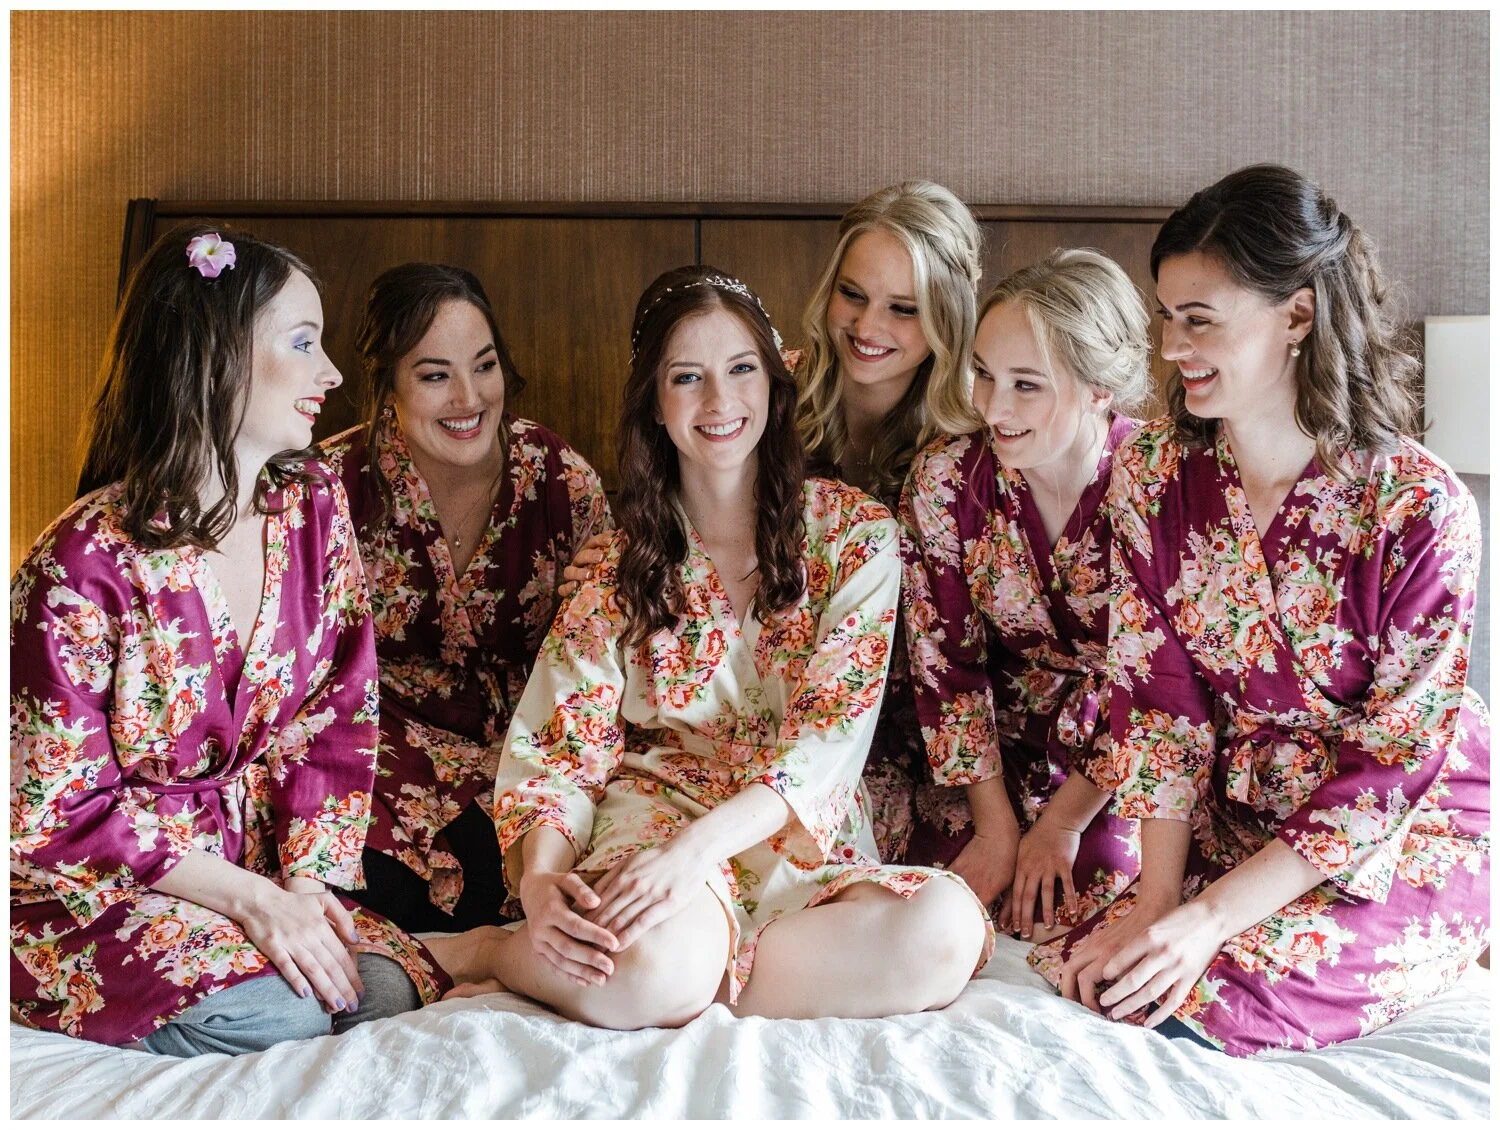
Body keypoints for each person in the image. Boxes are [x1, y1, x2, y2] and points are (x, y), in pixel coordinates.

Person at [461, 265, 993, 1029]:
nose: (719, 400)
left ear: (774, 386)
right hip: (653, 831)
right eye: (688, 377)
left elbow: (827, 744)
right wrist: (542, 887)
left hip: (797, 846)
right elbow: (558, 749)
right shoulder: (619, 561)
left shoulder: (855, 537)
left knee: (944, 931)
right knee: (652, 967)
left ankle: (683, 983)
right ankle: (500, 951)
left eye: (741, 370)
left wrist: (697, 853)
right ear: (655, 402)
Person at [1038, 165, 1490, 1055]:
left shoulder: (1421, 509)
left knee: (1212, 996)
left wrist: (1208, 919)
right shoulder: (1153, 476)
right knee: (1108, 967)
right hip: (1240, 814)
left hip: (1399, 828)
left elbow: (1393, 761)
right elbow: (1157, 708)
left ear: (1298, 316)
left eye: (1199, 319)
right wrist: (1159, 902)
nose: (1172, 347)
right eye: (1166, 317)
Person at [10, 225, 448, 1057]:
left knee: (378, 989)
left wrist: (303, 888)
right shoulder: (84, 561)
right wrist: (249, 902)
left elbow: (336, 715)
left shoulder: (313, 506)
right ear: (215, 357)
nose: (333, 374)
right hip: (98, 886)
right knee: (281, 1014)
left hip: (251, 861)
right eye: (304, 343)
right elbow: (60, 809)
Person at [562, 182, 986, 869]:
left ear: (948, 317)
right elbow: (673, 493)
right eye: (853, 294)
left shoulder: (971, 450)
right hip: (770, 709)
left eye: (904, 309)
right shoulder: (757, 388)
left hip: (918, 727)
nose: (868, 325)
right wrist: (612, 563)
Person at [321, 264, 610, 933]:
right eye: (434, 376)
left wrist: (597, 597)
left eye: (484, 366)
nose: (469, 397)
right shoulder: (332, 489)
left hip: (520, 744)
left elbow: (602, 659)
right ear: (386, 386)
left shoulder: (559, 480)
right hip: (379, 744)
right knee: (355, 866)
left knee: (542, 871)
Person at [901, 250, 1150, 938]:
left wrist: (1063, 823)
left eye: (1026, 385)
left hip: (1125, 749)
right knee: (928, 891)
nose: (993, 407)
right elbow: (945, 667)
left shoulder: (1160, 486)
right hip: (994, 751)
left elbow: (1164, 686)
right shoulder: (946, 481)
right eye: (983, 373)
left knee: (1088, 895)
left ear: (1099, 388)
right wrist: (996, 827)